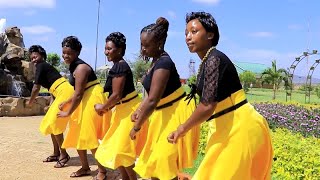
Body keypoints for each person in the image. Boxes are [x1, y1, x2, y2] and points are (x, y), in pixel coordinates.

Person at [168, 11, 273, 179]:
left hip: (239, 127)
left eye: (194, 31)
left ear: (210, 34)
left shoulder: (214, 59)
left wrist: (182, 129)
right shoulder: (207, 62)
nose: (188, 37)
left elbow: (207, 105)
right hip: (226, 126)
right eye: (186, 33)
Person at [129, 17, 200, 180]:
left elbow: (153, 99)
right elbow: (151, 96)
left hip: (176, 114)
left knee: (162, 162)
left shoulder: (164, 64)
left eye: (146, 45)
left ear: (159, 44)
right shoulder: (156, 61)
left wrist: (137, 127)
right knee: (156, 164)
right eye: (141, 44)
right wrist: (139, 110)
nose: (143, 49)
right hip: (163, 115)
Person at [94, 32, 146, 180]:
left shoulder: (120, 67)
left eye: (109, 49)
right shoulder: (118, 66)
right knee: (119, 151)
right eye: (105, 48)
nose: (106, 52)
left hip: (128, 112)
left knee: (123, 151)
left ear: (120, 49)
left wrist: (103, 107)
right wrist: (107, 108)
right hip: (123, 111)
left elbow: (116, 95)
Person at [57, 36, 107, 178]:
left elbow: (79, 94)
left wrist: (67, 112)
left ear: (77, 53)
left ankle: (102, 170)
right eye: (64, 52)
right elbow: (78, 92)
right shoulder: (73, 66)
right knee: (78, 132)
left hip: (92, 99)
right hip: (85, 98)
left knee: (89, 135)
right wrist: (67, 101)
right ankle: (85, 168)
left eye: (69, 53)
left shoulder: (81, 68)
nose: (65, 56)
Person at [26, 45, 73, 168]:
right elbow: (53, 87)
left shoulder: (41, 66)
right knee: (52, 124)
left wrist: (30, 101)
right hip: (61, 92)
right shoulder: (44, 67)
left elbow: (36, 88)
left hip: (65, 92)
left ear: (42, 56)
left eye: (35, 57)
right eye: (31, 58)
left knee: (54, 122)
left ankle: (64, 154)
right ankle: (56, 153)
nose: (33, 60)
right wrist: (52, 102)